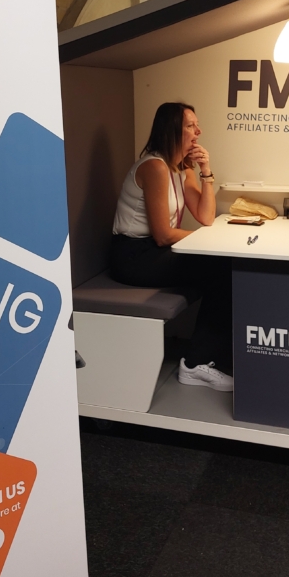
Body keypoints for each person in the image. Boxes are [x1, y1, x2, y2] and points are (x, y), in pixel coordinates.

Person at [109, 102, 233, 391]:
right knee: (221, 270)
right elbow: (163, 235)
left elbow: (205, 217)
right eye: (190, 126)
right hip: (133, 255)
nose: (198, 131)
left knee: (224, 267)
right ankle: (195, 364)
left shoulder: (181, 168)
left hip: (155, 251)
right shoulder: (154, 167)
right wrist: (205, 242)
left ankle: (212, 353)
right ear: (172, 130)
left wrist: (206, 170)